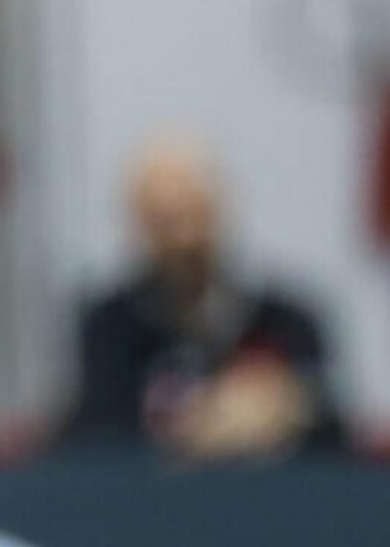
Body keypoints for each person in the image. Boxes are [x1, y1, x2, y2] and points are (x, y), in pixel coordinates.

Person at [52, 133, 343, 463]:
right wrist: (201, 431)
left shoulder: (288, 321)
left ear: (223, 210)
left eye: (197, 214)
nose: (185, 239)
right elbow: (98, 441)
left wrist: (291, 408)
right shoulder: (108, 327)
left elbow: (337, 438)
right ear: (136, 225)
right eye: (166, 221)